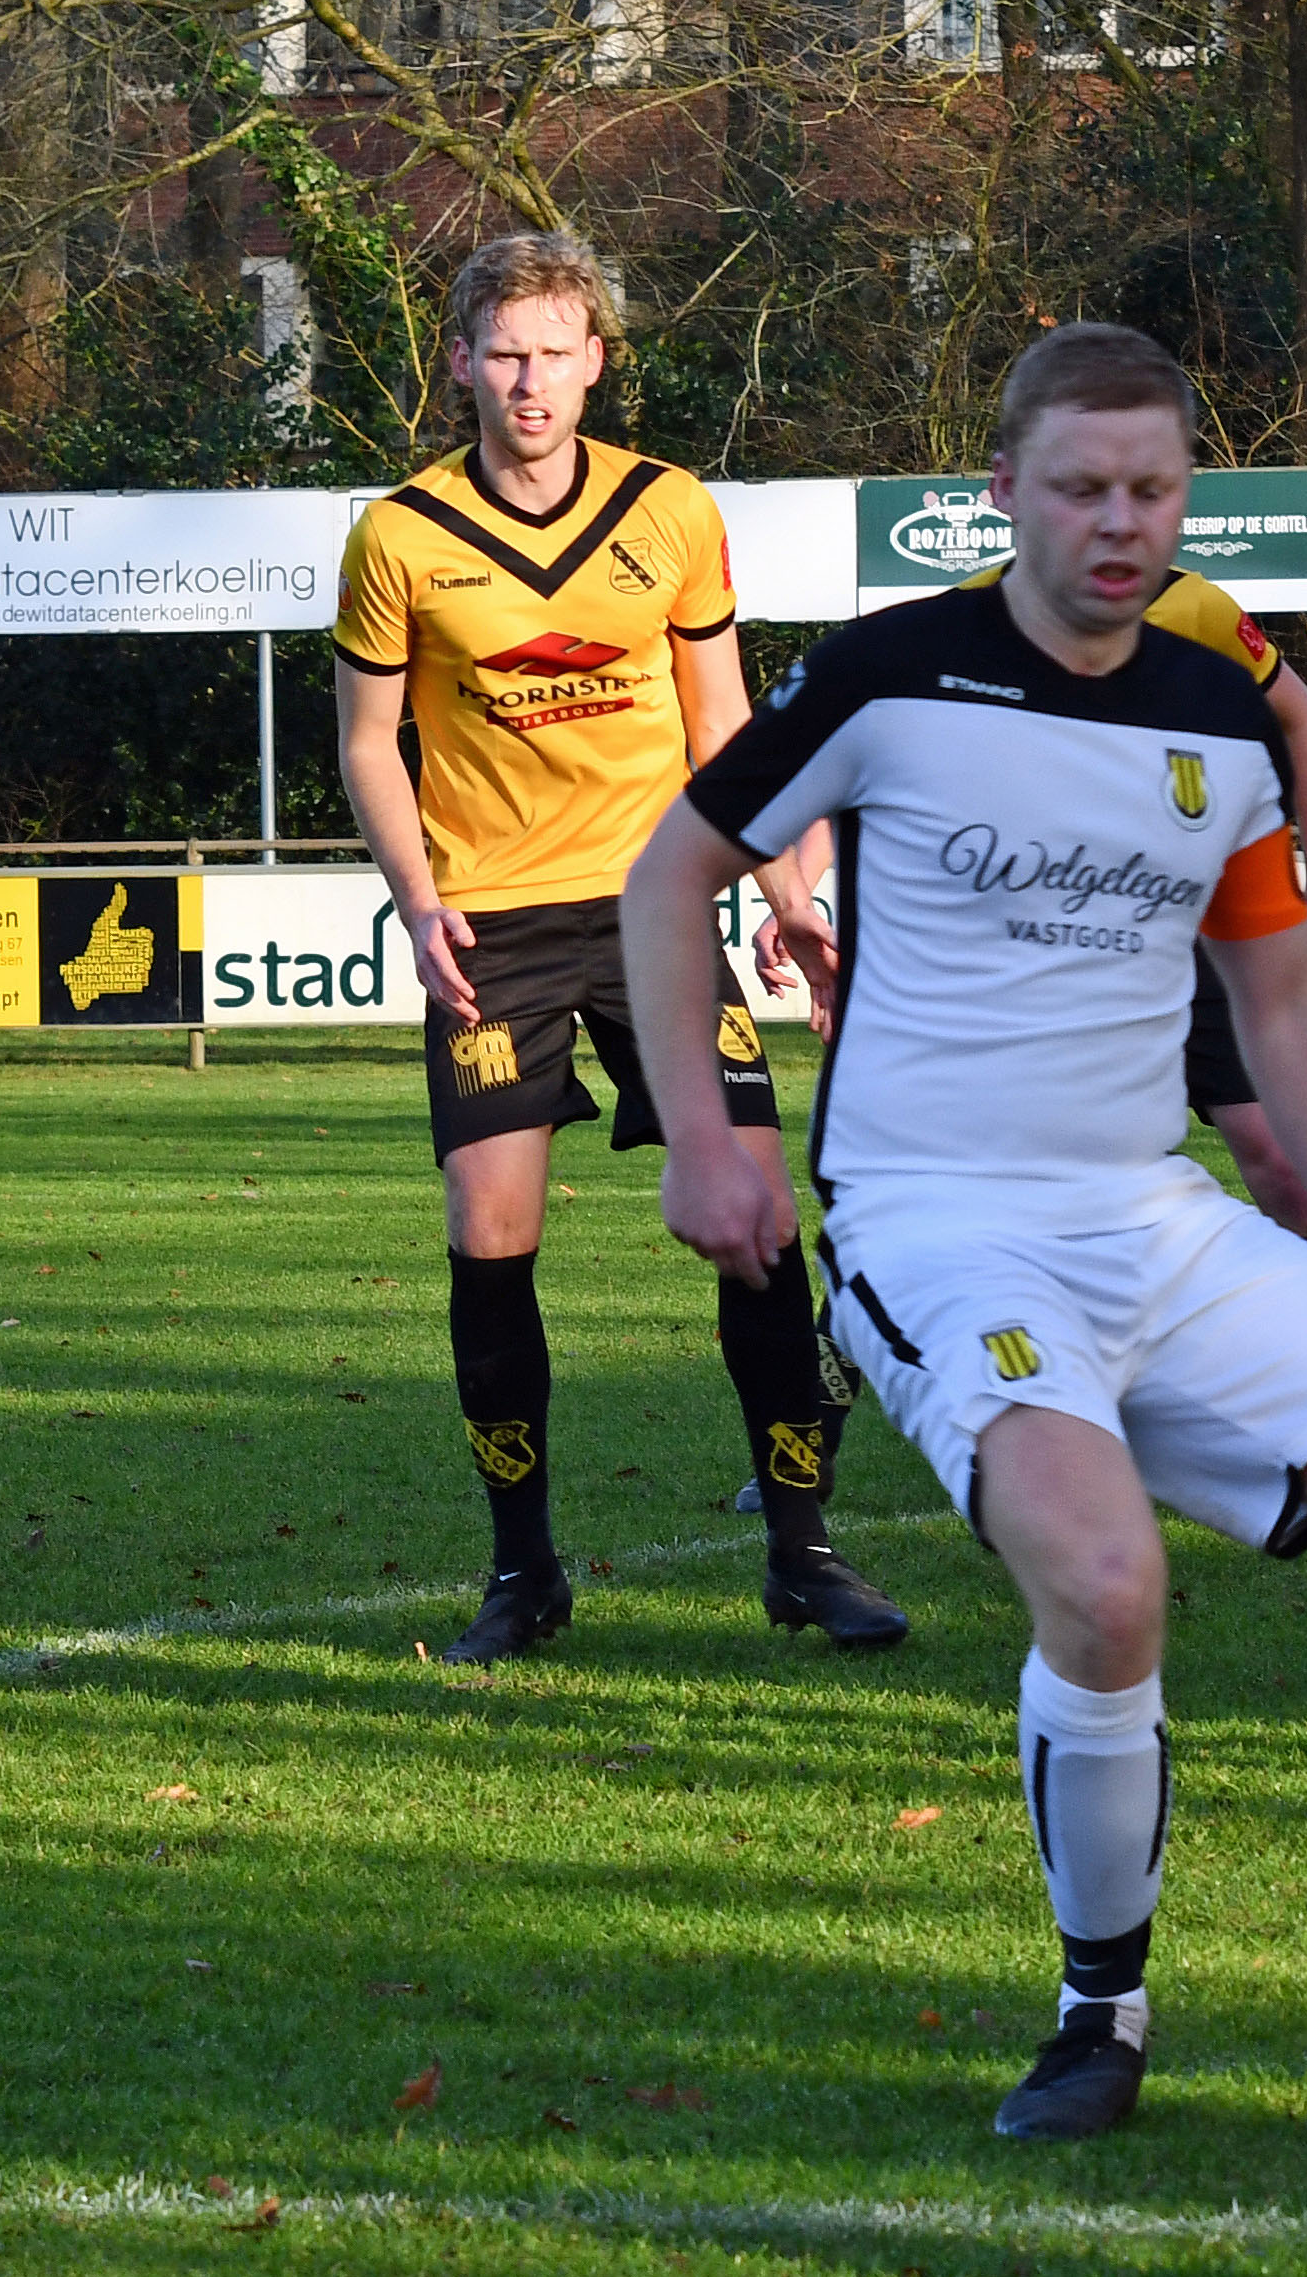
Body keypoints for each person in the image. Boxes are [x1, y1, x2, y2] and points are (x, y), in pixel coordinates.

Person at [624, 321, 1307, 2139]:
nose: (1118, 521)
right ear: (1000, 495)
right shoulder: (888, 675)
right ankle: (1102, 2012)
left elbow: (1279, 1005)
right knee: (1103, 1579)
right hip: (937, 1225)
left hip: (1152, 1213)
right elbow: (671, 868)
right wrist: (702, 1136)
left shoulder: (1217, 712)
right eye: (1079, 487)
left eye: (1151, 488)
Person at [334, 225, 900, 1666]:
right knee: (490, 1234)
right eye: (505, 354)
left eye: (555, 354)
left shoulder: (672, 512)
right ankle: (522, 1576)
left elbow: (723, 731)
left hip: (658, 911)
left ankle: (804, 1552)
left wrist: (783, 892)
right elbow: (368, 744)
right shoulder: (397, 534)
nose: (530, 382)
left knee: (758, 1227)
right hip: (494, 928)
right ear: (462, 363)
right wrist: (418, 897)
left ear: (597, 363)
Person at [956, 551, 1307, 1235]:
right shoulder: (969, 613)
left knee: (1282, 1161)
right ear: (1011, 493)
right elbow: (869, 747)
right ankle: (888, 1312)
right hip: (1049, 937)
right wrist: (803, 894)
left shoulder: (1196, 608)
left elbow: (1301, 719)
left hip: (1191, 921)